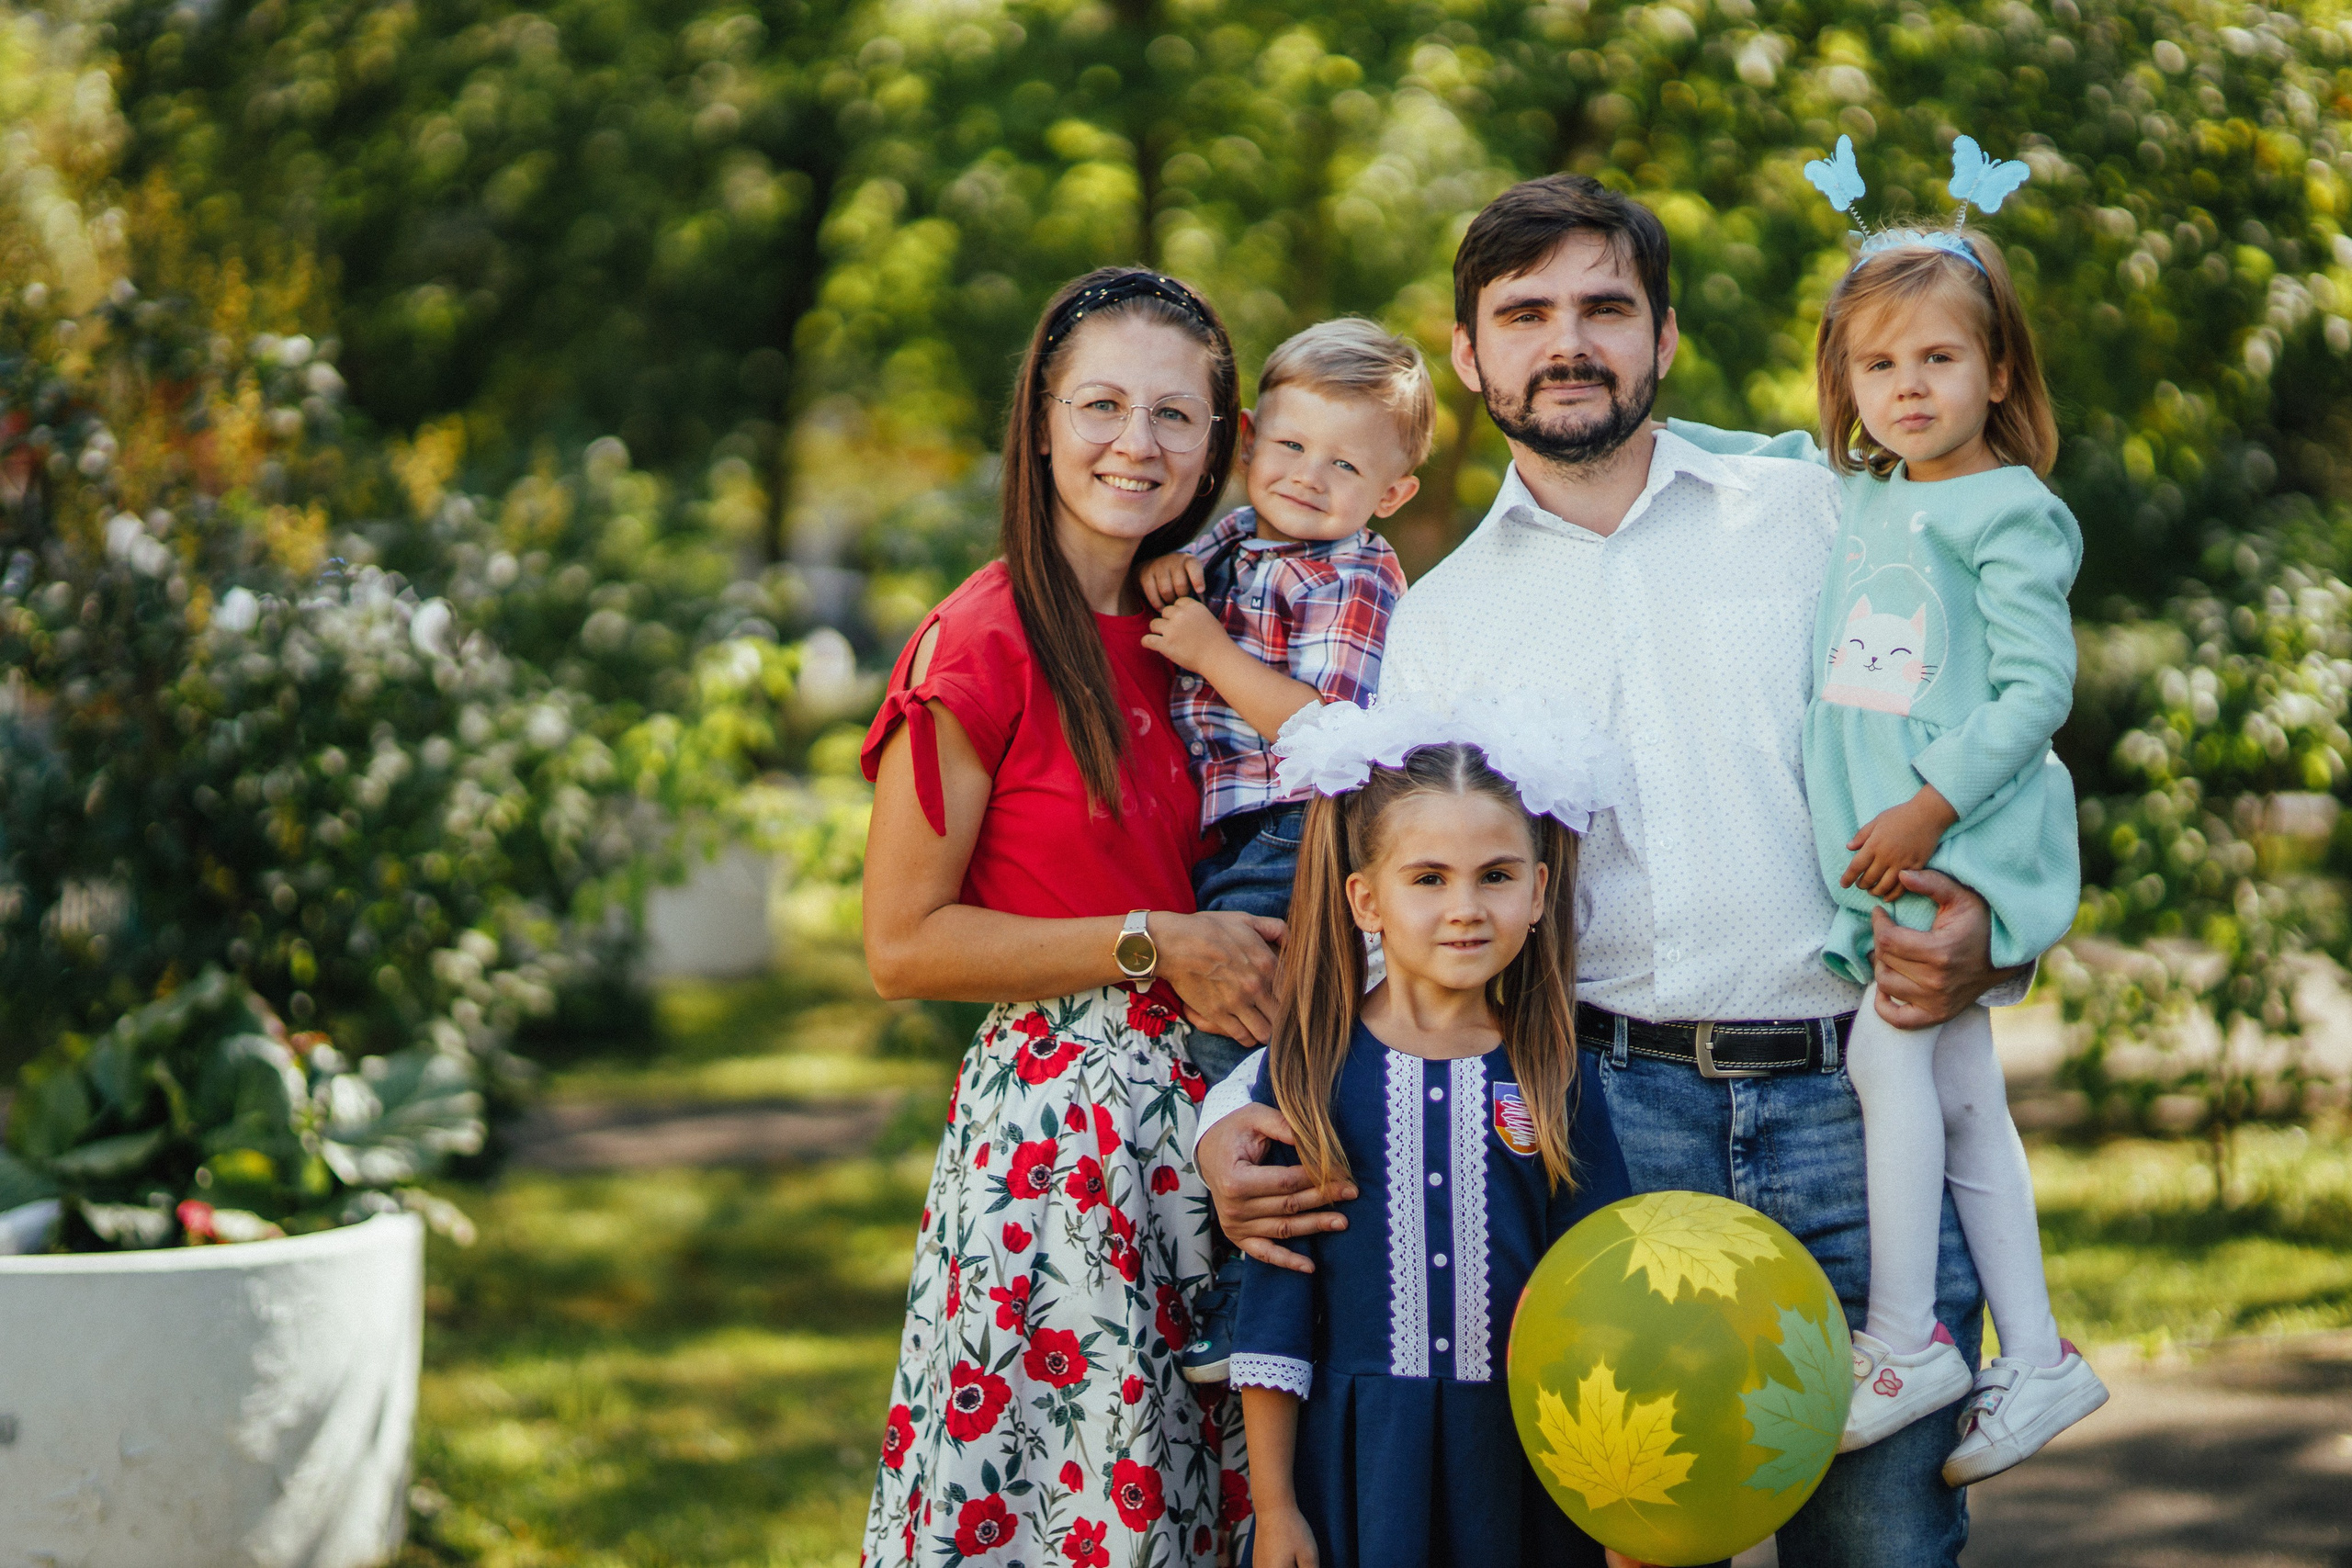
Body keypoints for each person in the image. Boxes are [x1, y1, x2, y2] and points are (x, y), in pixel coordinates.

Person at [1196, 175, 2032, 1567]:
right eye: (1524, 313)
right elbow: (1381, 917)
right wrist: (1242, 1104)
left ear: (1664, 337)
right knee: (1638, 1543)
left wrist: (1993, 931)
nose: (1565, 339)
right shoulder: (1443, 623)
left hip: (1856, 1097)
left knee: (1884, 1538)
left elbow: (1991, 732)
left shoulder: (1821, 517)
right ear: (1469, 357)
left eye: (1604, 306)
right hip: (1597, 1126)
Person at [1669, 198, 2107, 1478]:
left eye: (1938, 358)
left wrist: (1927, 799)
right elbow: (1734, 442)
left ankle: (1908, 1334)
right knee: (1968, 1098)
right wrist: (1640, 429)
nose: (1907, 386)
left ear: (1999, 369)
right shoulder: (1863, 491)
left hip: (1951, 835)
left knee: (1883, 1057)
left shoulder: (2010, 511)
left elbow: (2035, 690)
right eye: (1879, 363)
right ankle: (2035, 1353)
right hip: (1896, 846)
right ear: (1846, 380)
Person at [856, 266, 1283, 1568]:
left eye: (1174, 414)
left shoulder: (1210, 629)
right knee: (1077, 1513)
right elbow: (903, 942)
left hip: (1222, 1131)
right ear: (1040, 421)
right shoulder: (981, 639)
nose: (1135, 444)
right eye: (1101, 405)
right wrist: (1154, 938)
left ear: (1221, 443)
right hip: (1063, 1155)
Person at [1226, 696, 1632, 1568]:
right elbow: (1275, 1309)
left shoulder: (1558, 1072)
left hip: (1526, 1470)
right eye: (1429, 878)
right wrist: (1275, 1507)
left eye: (1496, 875)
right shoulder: (1308, 1071)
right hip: (1364, 1471)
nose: (1465, 908)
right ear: (1366, 899)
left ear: (1539, 892)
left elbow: (1607, 1306)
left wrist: (1619, 1516)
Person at [1132, 317, 1430, 1381]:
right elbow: (1178, 569)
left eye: (1345, 464)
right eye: (1291, 447)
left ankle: (1251, 1292)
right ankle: (1271, 1280)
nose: (1308, 478)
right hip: (1233, 838)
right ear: (1251, 437)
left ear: (1389, 494)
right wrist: (1173, 574)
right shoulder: (1234, 536)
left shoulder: (1360, 578)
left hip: (1302, 829)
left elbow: (1331, 738)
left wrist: (1209, 653)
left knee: (1245, 1048)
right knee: (1247, 1052)